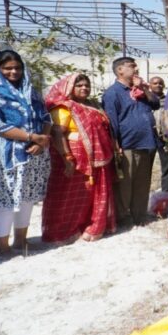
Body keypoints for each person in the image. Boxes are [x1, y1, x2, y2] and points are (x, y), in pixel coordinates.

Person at [0, 50, 52, 256]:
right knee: (4, 198)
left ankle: (21, 240)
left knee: (27, 196)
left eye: (17, 68)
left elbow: (46, 117)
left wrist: (41, 140)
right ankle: (2, 246)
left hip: (33, 153)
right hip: (3, 155)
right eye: (7, 68)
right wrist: (31, 137)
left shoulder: (30, 89)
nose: (13, 72)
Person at [42, 73, 116, 243]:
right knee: (68, 194)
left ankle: (92, 227)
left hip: (98, 156)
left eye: (87, 85)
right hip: (73, 157)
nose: (84, 88)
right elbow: (57, 133)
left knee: (92, 193)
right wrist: (67, 158)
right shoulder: (63, 107)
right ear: (69, 88)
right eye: (79, 85)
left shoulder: (93, 106)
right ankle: (62, 232)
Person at [102, 57, 160, 227]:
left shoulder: (139, 90)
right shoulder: (113, 93)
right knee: (124, 184)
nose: (136, 69)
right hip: (127, 144)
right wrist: (115, 144)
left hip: (146, 142)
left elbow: (155, 104)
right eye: (131, 66)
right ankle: (123, 217)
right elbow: (111, 121)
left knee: (142, 183)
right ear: (120, 70)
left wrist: (144, 88)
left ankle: (140, 215)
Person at [149, 76, 168, 193]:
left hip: (164, 138)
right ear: (150, 85)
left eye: (160, 83)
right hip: (149, 137)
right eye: (155, 83)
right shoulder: (145, 100)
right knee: (146, 167)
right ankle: (145, 192)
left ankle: (166, 192)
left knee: (167, 166)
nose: (158, 85)